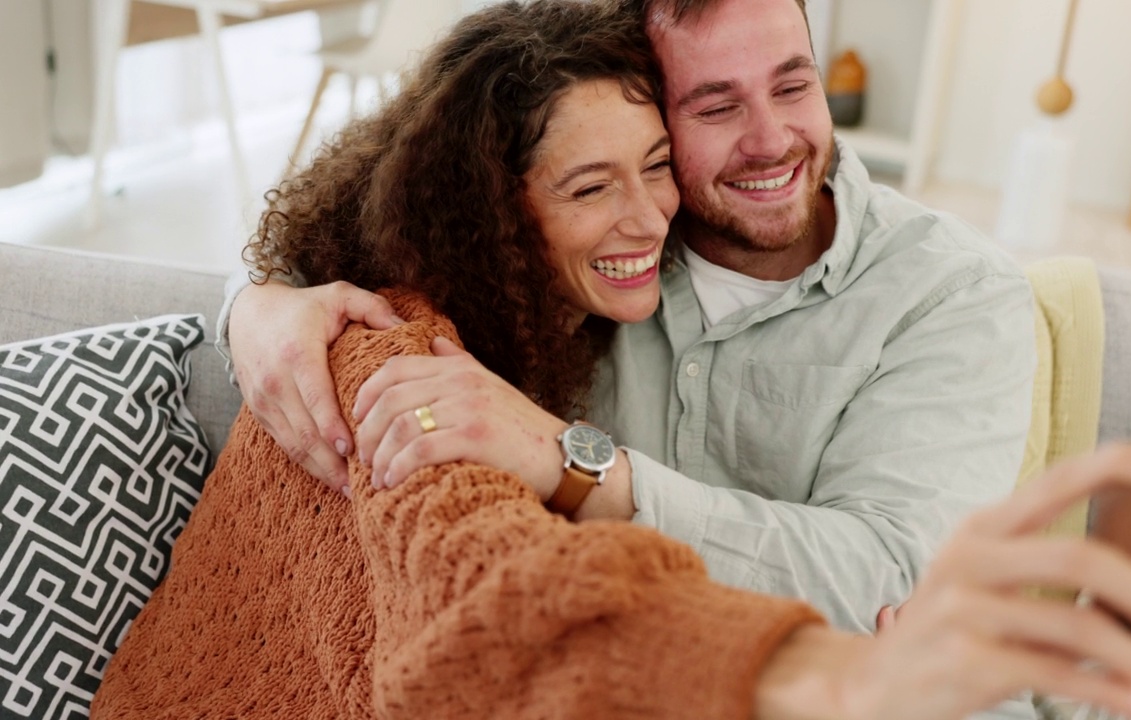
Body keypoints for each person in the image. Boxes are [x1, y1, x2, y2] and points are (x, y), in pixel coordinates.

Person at [222, 0, 1037, 637]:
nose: (772, 141)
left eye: (794, 85)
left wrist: (573, 464)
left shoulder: (953, 291)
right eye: (715, 106)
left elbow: (889, 581)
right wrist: (252, 308)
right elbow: (387, 218)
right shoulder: (588, 242)